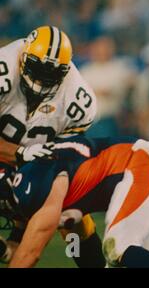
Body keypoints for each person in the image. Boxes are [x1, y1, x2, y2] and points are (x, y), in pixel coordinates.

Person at [0, 26, 104, 267]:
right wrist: (20, 153)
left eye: (51, 74)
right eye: (37, 70)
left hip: (40, 164)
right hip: (11, 155)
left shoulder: (79, 100)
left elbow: (58, 164)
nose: (40, 81)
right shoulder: (4, 69)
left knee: (74, 216)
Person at [0, 135, 149, 268]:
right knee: (133, 260)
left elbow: (29, 254)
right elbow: (21, 248)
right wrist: (4, 251)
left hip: (144, 167)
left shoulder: (35, 186)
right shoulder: (30, 180)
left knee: (117, 247)